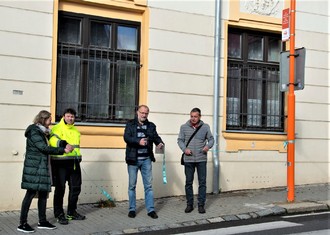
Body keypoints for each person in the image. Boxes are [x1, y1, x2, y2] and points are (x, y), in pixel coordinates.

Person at [18, 110, 73, 233]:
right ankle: (22, 223)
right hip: (34, 168)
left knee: (43, 194)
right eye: (49, 119)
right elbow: (43, 148)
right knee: (30, 194)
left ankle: (42, 221)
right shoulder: (34, 131)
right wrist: (62, 150)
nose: (51, 121)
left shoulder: (44, 132)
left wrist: (64, 144)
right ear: (43, 119)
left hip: (42, 167)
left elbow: (54, 139)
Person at [124, 105, 164, 219]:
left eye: (146, 113)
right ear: (137, 112)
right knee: (132, 186)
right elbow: (126, 138)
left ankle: (151, 210)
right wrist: (138, 141)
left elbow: (155, 137)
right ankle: (132, 209)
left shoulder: (151, 126)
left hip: (146, 159)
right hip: (133, 160)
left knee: (149, 186)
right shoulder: (130, 124)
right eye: (142, 113)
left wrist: (159, 143)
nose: (144, 115)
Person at [49, 108, 85, 225]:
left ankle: (71, 212)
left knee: (76, 188)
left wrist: (78, 156)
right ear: (64, 116)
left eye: (72, 116)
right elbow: (53, 141)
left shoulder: (76, 131)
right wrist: (62, 144)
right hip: (60, 163)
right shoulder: (56, 128)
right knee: (60, 189)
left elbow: (77, 146)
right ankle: (59, 214)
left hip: (74, 162)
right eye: (68, 116)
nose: (71, 118)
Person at [177, 108, 214, 214]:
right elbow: (180, 140)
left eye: (195, 116)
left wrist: (207, 146)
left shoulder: (205, 127)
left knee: (202, 183)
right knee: (188, 182)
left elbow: (211, 139)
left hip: (201, 159)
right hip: (188, 159)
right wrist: (185, 149)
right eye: (191, 116)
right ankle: (189, 204)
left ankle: (201, 205)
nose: (193, 118)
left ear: (199, 117)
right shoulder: (183, 127)